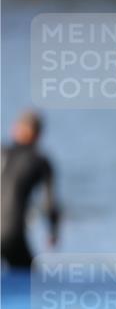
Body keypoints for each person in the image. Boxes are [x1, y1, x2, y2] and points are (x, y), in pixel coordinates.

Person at [1, 110, 60, 269]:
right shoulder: (40, 161)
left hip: (10, 233)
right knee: (31, 282)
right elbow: (49, 204)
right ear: (38, 135)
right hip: (12, 234)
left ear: (15, 129)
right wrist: (53, 231)